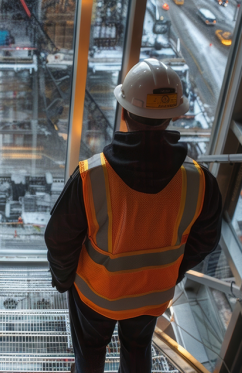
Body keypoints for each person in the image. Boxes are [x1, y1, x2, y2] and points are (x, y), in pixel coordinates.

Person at [45, 59, 223, 372]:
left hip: (97, 294)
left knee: (89, 353)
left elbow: (60, 240)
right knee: (138, 351)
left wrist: (63, 281)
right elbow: (205, 241)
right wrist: (172, 272)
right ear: (171, 117)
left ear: (125, 112)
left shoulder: (91, 177)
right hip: (153, 294)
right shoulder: (200, 181)